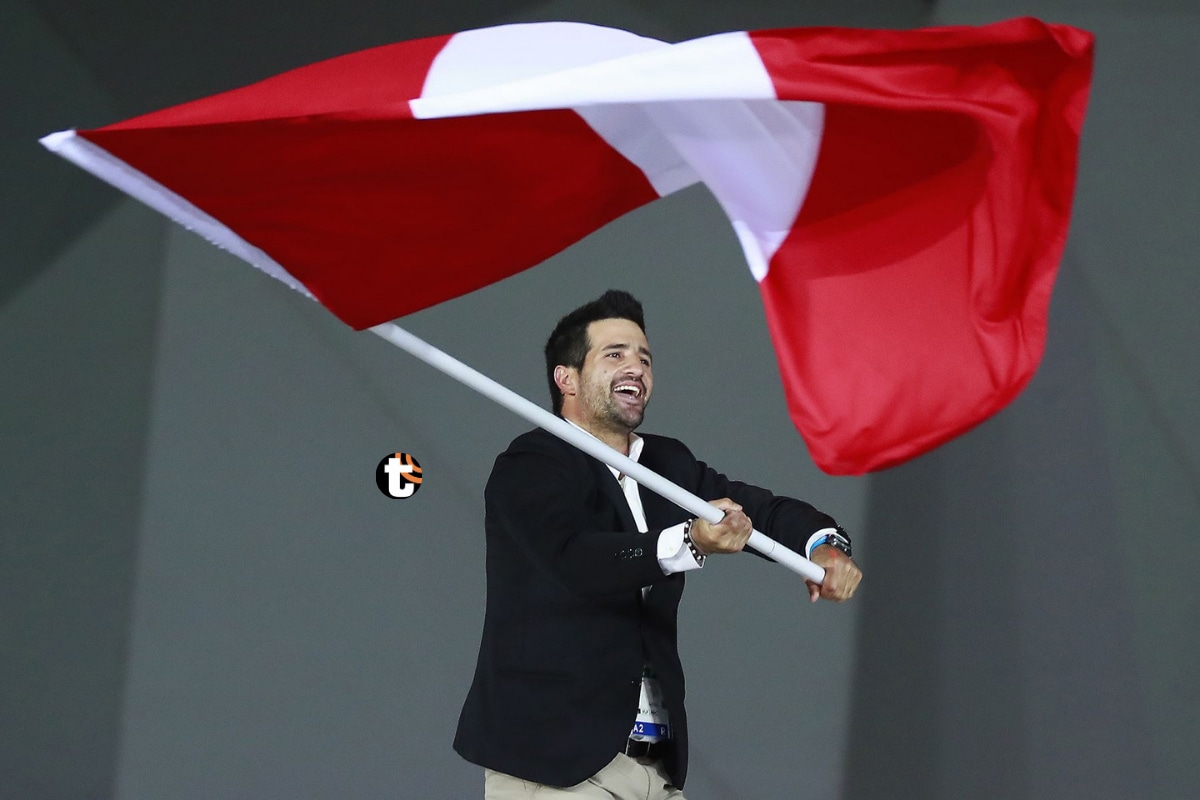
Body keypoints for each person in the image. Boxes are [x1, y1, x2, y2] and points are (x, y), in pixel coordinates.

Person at [454, 290, 862, 799]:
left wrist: (823, 547)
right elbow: (576, 561)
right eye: (615, 354)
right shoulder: (532, 465)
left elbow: (766, 511)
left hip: (654, 767)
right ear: (567, 378)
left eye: (644, 358)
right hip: (557, 765)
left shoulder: (667, 466)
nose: (637, 368)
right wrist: (688, 541)